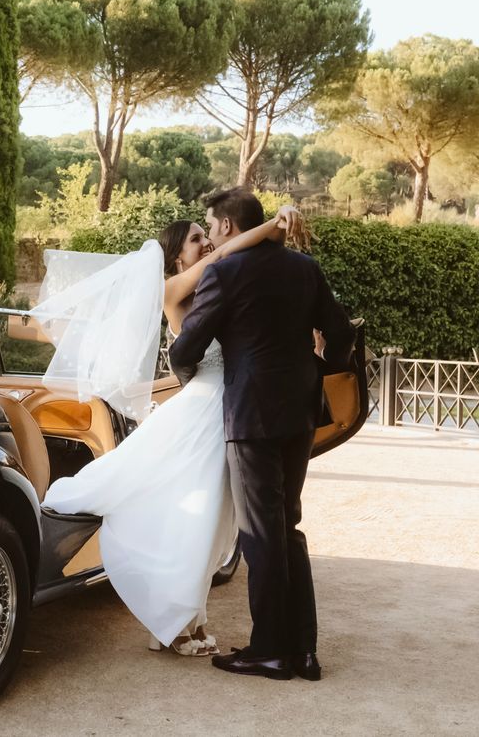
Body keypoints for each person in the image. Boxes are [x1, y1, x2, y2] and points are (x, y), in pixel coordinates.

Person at [34, 199, 305, 658]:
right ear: (176, 256)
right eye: (195, 239)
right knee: (194, 520)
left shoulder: (217, 288)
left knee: (212, 522)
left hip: (227, 411)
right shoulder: (172, 289)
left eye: (206, 235)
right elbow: (224, 255)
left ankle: (190, 623)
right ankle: (176, 625)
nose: (206, 244)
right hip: (203, 413)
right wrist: (273, 226)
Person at [170, 188, 354, 681]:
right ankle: (305, 650)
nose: (210, 236)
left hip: (249, 416)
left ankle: (270, 649)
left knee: (260, 532)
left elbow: (186, 347)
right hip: (300, 413)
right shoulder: (305, 268)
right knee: (288, 523)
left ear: (228, 226)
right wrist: (323, 370)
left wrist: (194, 389)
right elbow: (341, 333)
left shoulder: (223, 273)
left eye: (211, 227)